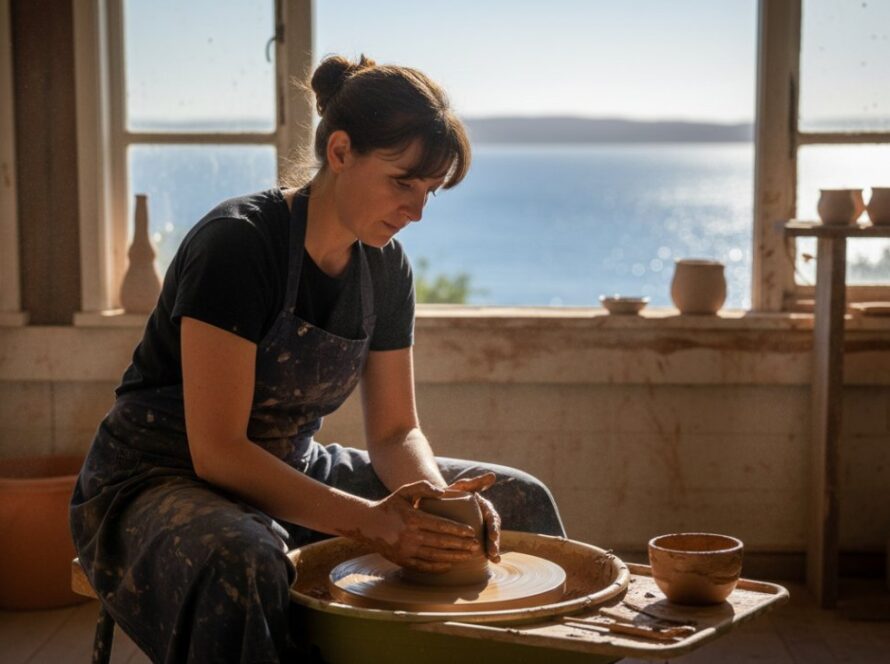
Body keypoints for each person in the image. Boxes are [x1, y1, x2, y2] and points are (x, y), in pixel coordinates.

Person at [70, 54, 565, 663]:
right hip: (157, 480)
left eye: (430, 191)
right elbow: (218, 450)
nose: (417, 211)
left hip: (291, 467)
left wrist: (435, 502)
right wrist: (372, 521)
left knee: (521, 501)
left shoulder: (384, 268)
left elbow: (395, 430)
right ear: (339, 151)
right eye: (402, 181)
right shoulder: (238, 244)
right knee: (245, 557)